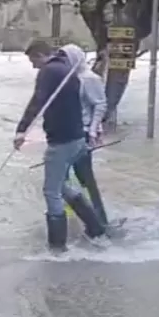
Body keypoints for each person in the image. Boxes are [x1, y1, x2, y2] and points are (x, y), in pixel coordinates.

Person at [15, 40, 108, 252]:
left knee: (51, 191)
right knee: (62, 186)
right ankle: (96, 228)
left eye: (33, 60)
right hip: (77, 138)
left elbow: (38, 102)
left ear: (41, 55)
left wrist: (22, 130)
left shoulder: (49, 72)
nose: (33, 66)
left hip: (62, 141)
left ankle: (58, 247)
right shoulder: (69, 72)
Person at [59, 44, 112, 226]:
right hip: (64, 134)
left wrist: (93, 129)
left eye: (66, 59)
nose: (64, 63)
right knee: (62, 180)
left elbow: (100, 104)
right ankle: (70, 215)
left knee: (85, 178)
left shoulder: (89, 79)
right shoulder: (65, 78)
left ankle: (100, 219)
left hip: (82, 134)